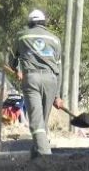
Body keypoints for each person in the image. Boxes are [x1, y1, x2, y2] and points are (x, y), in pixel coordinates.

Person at [10, 9, 63, 158]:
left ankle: (46, 157)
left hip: (31, 79)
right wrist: (57, 96)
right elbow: (58, 69)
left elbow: (12, 59)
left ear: (30, 23)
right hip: (51, 80)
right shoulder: (55, 39)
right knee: (42, 122)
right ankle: (36, 158)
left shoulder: (21, 36)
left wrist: (16, 69)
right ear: (44, 23)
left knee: (36, 122)